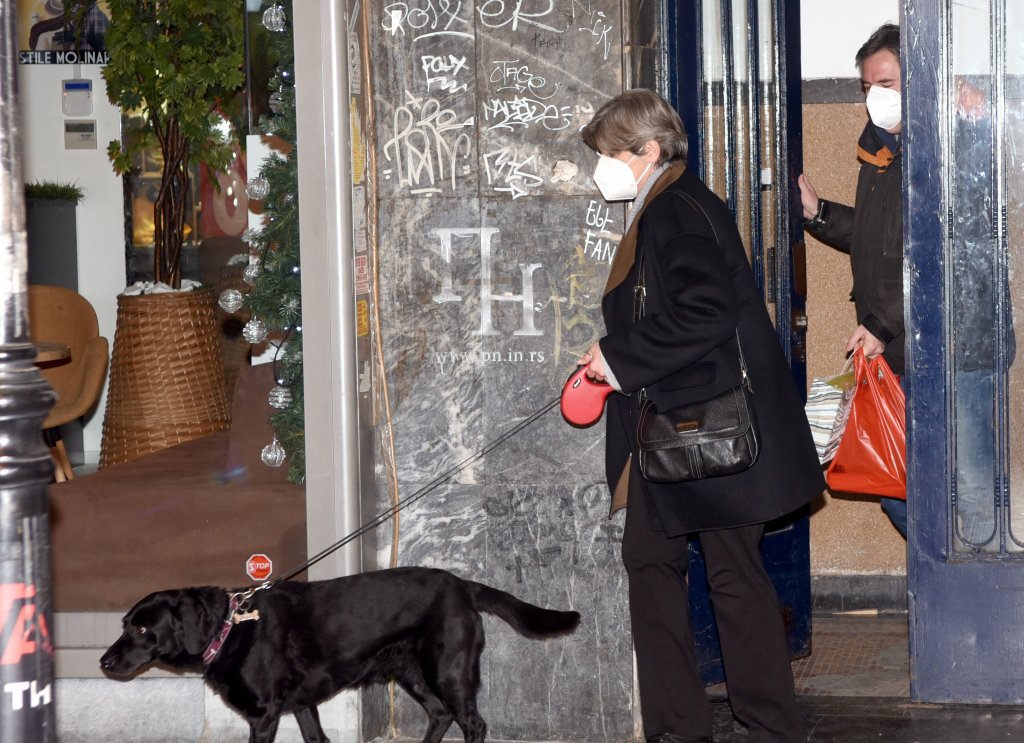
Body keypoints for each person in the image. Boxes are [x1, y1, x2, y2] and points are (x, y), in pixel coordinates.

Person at [578, 89, 823, 743]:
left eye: (610, 154)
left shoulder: (675, 211)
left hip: (710, 433)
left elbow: (706, 312)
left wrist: (617, 356)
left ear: (648, 150)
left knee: (729, 575)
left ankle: (764, 727)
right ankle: (682, 725)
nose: (601, 168)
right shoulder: (670, 203)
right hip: (678, 431)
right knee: (656, 562)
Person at [798, 23, 908, 537]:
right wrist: (818, 213)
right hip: (897, 350)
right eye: (867, 88)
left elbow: (939, 260)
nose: (874, 98)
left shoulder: (941, 153)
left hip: (946, 355)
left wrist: (879, 325)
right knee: (897, 485)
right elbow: (874, 238)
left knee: (955, 491)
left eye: (886, 84)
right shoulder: (880, 153)